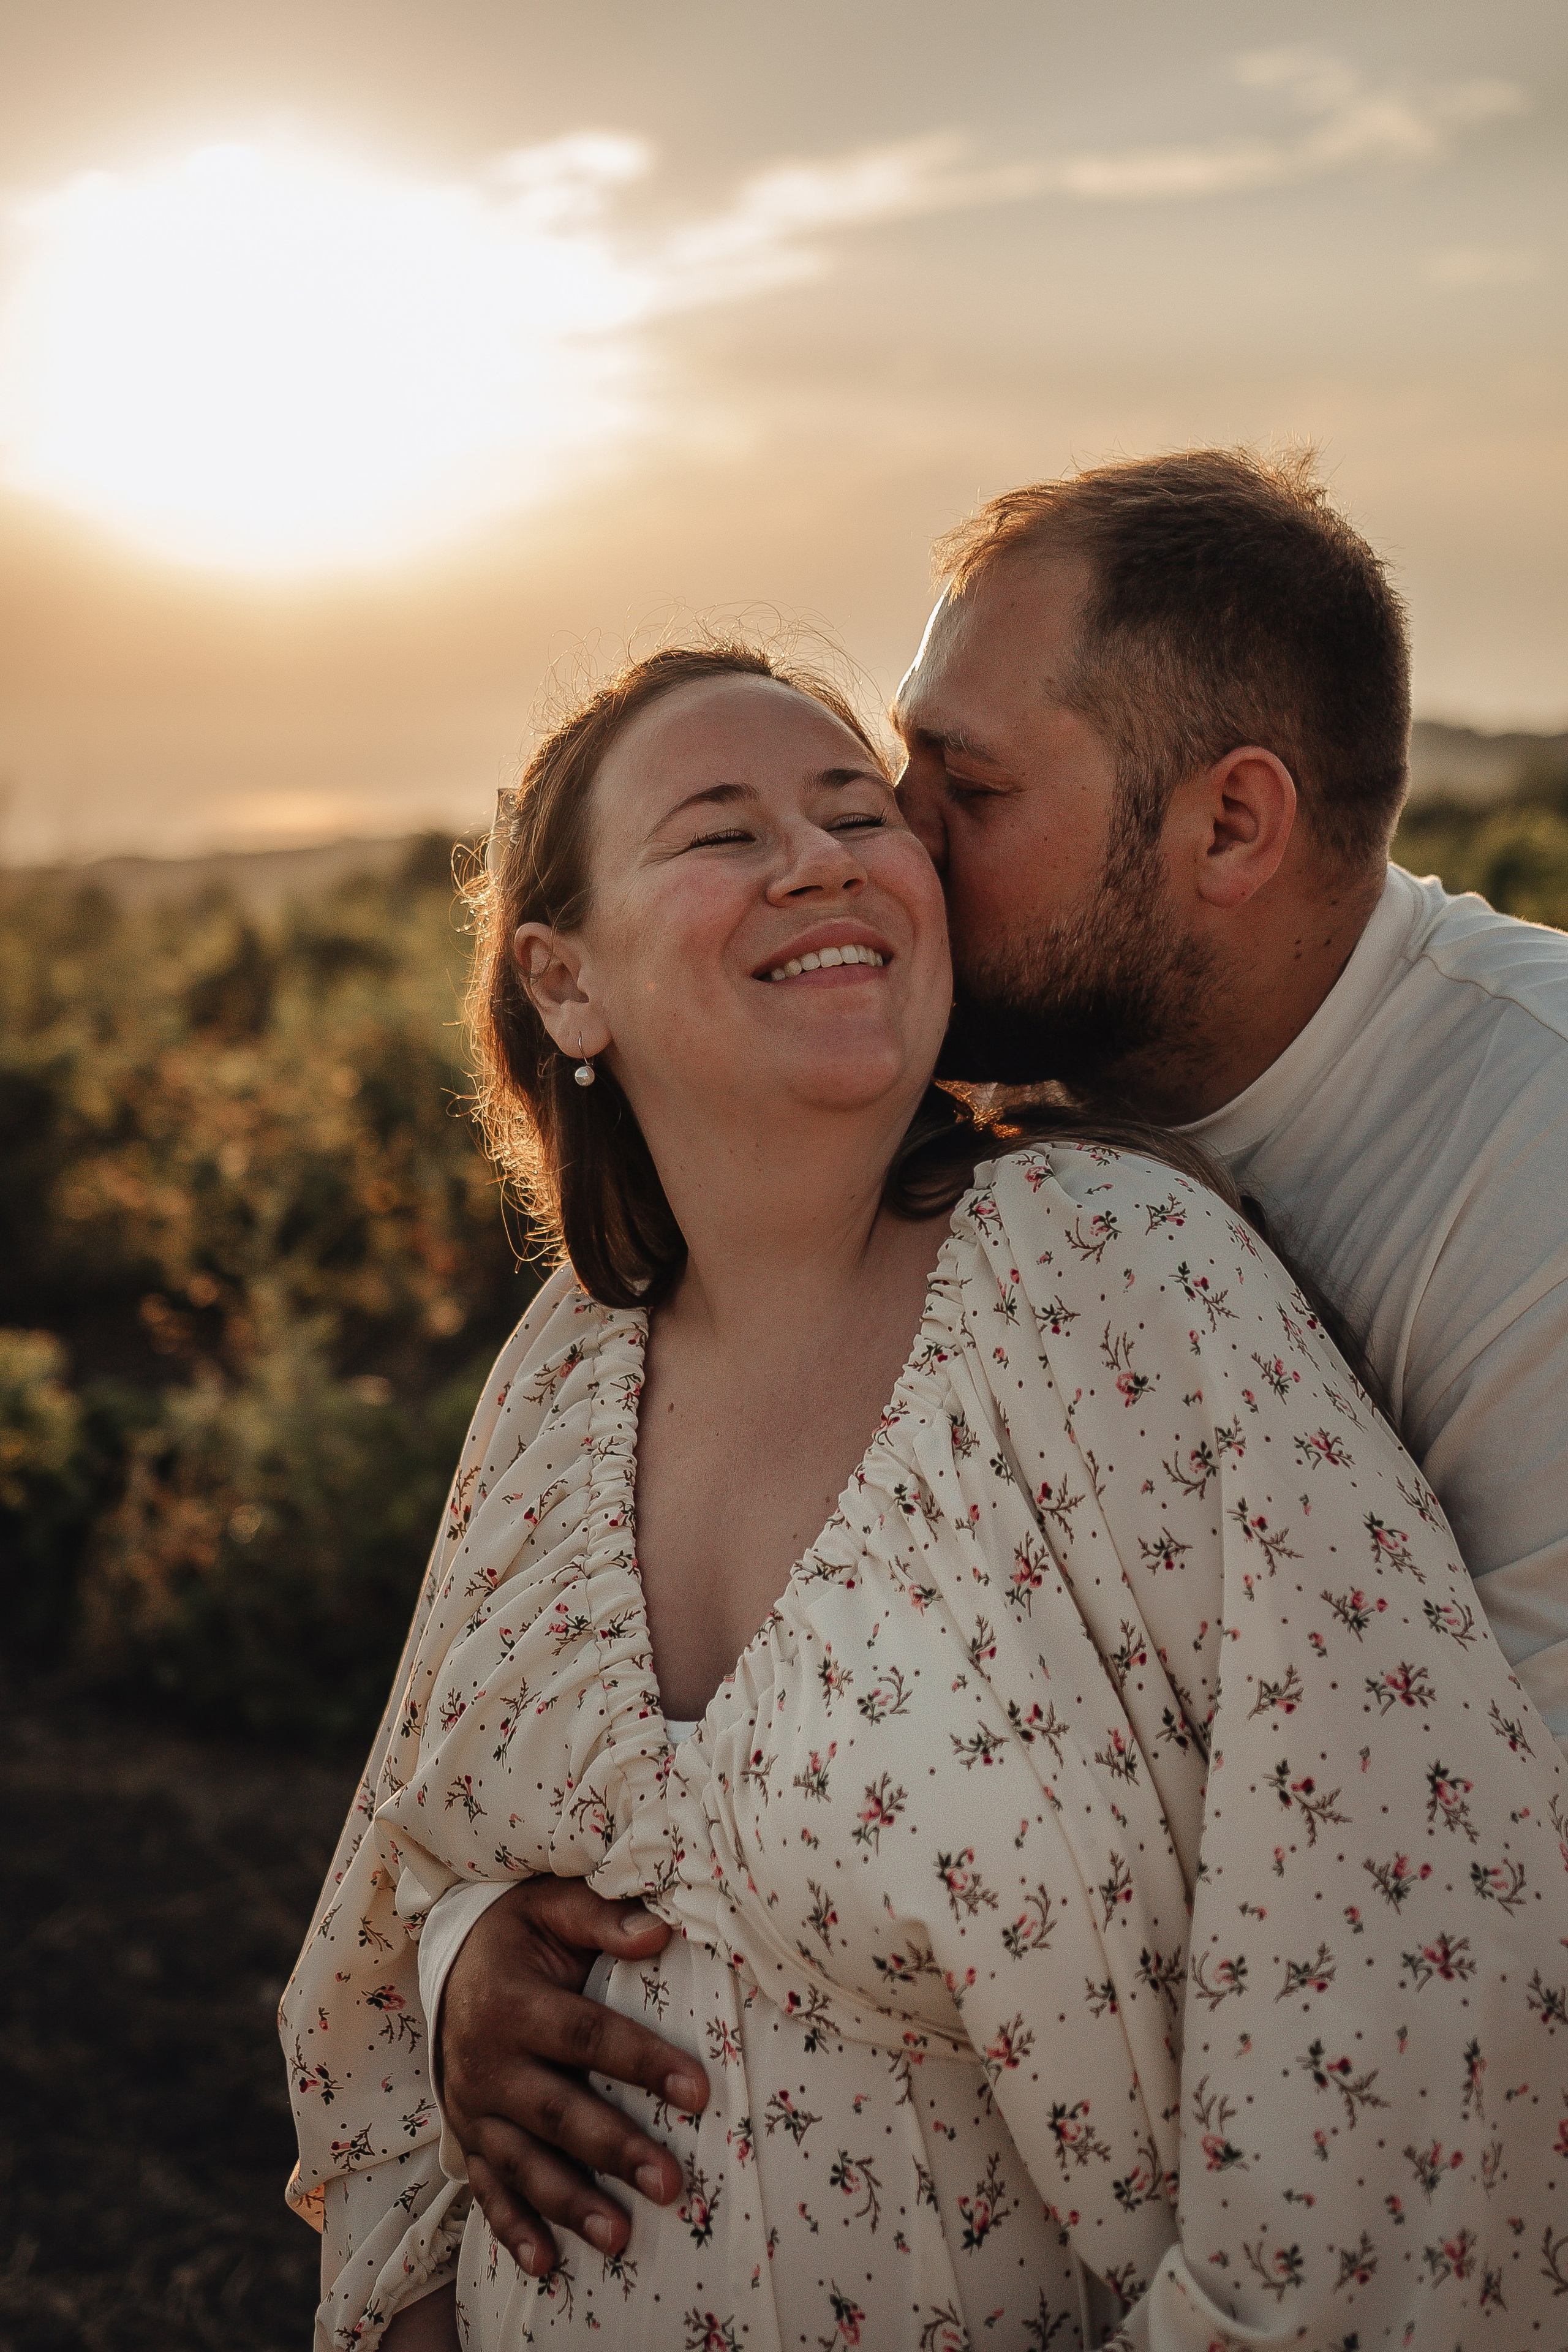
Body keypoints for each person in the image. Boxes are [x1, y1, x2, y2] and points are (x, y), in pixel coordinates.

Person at [282, 639, 1568, 2351]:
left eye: (858, 812)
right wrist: (458, 1963)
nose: (820, 856)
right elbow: (383, 1921)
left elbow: (1416, 1964)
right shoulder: (563, 1376)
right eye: (723, 832)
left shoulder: (1127, 1291)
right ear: (561, 983)